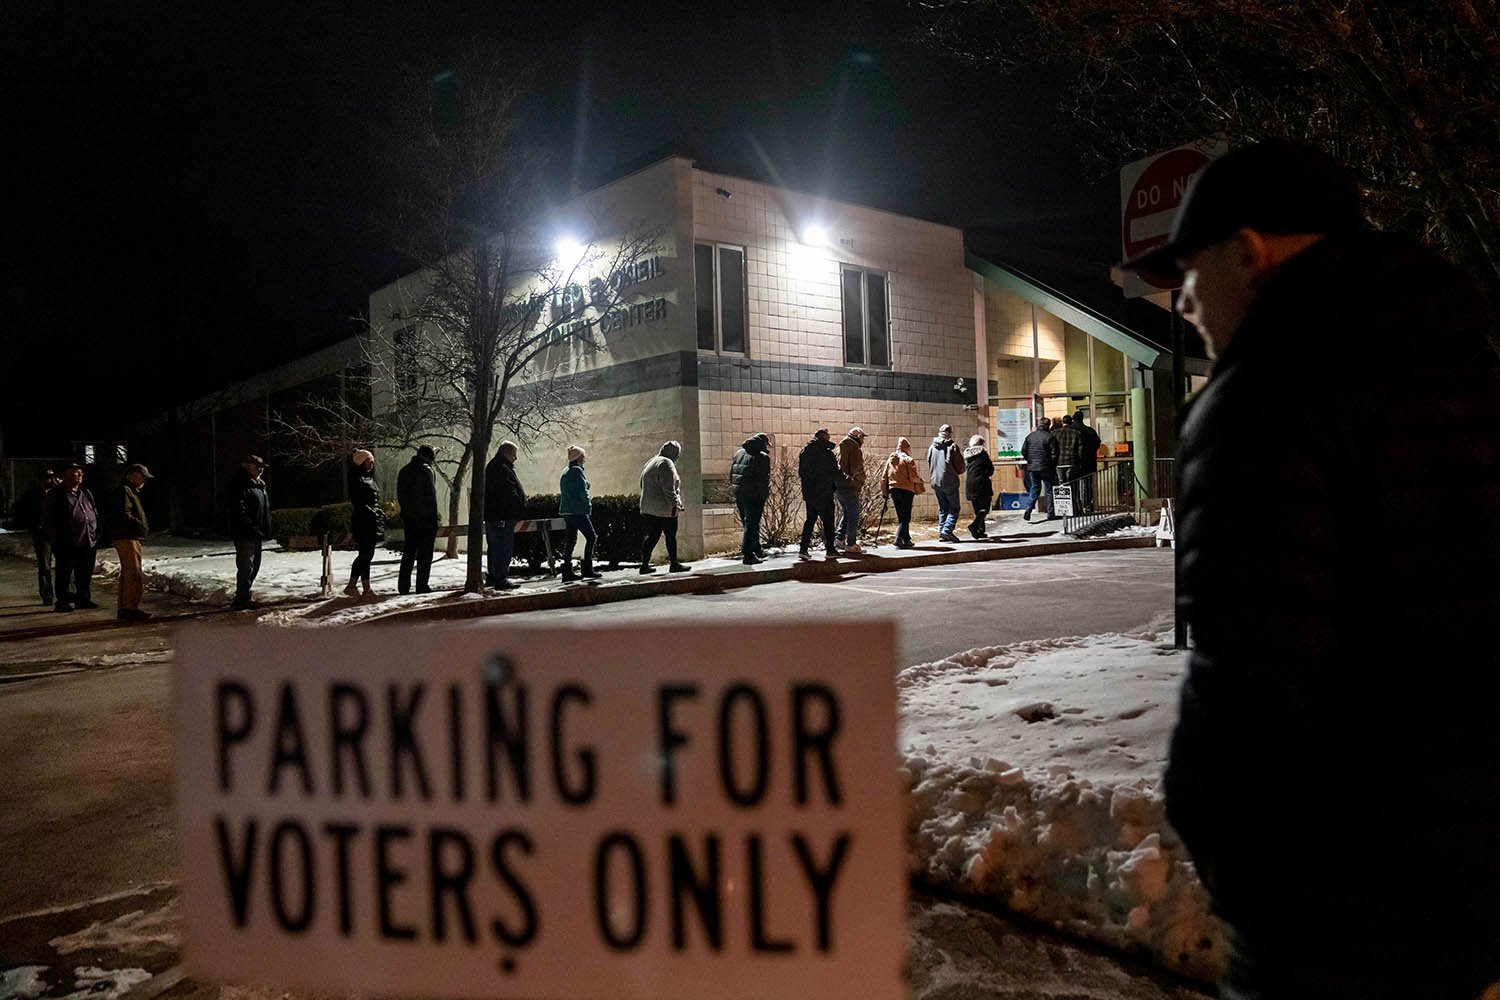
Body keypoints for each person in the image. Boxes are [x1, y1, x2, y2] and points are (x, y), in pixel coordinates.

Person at [1122, 140, 1500, 998]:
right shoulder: (1466, 367)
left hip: (1334, 886)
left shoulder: (1265, 395)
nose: (1182, 301)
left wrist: (1228, 846)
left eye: (1189, 271)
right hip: (1473, 867)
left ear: (1249, 254)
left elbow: (1253, 671)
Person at [44, 463, 99, 612]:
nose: (80, 475)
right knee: (64, 573)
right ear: (66, 475)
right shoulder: (56, 494)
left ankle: (83, 599)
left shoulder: (85, 492)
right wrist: (55, 537)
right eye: (75, 472)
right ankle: (62, 601)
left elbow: (92, 511)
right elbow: (50, 518)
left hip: (88, 539)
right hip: (67, 541)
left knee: (85, 572)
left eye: (81, 472)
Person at [109, 463, 153, 621]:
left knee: (128, 573)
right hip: (127, 536)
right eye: (142, 477)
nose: (143, 481)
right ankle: (130, 608)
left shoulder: (127, 491)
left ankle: (125, 607)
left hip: (126, 535)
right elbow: (124, 514)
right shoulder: (125, 491)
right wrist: (140, 526)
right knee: (133, 573)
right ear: (133, 475)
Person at [639, 440, 690, 573]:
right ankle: (674, 563)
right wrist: (676, 505)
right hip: (664, 508)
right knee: (670, 536)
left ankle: (644, 565)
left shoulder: (652, 461)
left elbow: (641, 484)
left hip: (648, 507)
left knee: (653, 536)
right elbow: (669, 488)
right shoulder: (667, 463)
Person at [228, 455, 271, 610]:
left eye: (262, 467)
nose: (260, 469)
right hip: (245, 533)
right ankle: (241, 599)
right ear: (246, 466)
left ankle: (244, 596)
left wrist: (264, 528)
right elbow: (239, 510)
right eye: (256, 466)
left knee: (254, 565)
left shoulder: (259, 485)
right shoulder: (240, 485)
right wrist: (251, 527)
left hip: (255, 533)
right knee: (246, 566)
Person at [396, 445, 440, 594]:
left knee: (409, 552)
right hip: (426, 519)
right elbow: (431, 497)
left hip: (410, 519)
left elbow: (401, 496)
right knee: (425, 554)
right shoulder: (427, 470)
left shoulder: (404, 471)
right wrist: (434, 519)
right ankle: (422, 585)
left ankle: (403, 586)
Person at [483, 441, 526, 589]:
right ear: (507, 453)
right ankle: (500, 577)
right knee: (503, 547)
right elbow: (507, 492)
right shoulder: (501, 468)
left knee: (495, 547)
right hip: (501, 516)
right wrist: (517, 506)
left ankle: (494, 576)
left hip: (496, 516)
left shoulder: (495, 466)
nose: (516, 458)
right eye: (514, 454)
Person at [797, 427, 843, 560]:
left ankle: (803, 549)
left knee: (810, 520)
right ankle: (830, 550)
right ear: (825, 438)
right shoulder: (827, 453)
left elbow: (802, 473)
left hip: (810, 493)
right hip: (824, 492)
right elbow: (835, 473)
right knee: (828, 522)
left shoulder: (805, 452)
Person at [15, 468, 59, 605]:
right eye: (46, 478)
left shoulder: (57, 493)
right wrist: (34, 526)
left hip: (58, 533)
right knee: (45, 566)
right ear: (40, 479)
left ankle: (65, 594)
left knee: (64, 565)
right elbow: (21, 511)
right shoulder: (32, 494)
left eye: (51, 477)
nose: (49, 480)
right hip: (41, 535)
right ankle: (47, 595)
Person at [558, 445, 602, 582]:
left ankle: (567, 570)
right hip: (577, 510)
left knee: (571, 540)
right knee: (592, 537)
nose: (585, 459)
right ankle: (587, 568)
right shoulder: (577, 471)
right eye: (583, 456)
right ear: (579, 458)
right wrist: (588, 505)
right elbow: (582, 492)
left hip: (566, 510)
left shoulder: (566, 471)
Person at [344, 449, 383, 597]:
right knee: (365, 554)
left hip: (371, 520)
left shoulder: (368, 477)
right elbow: (358, 501)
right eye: (369, 460)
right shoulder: (356, 478)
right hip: (363, 521)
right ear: (362, 461)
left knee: (367, 554)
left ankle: (353, 585)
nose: (372, 463)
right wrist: (371, 511)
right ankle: (364, 587)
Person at [729, 432, 771, 565]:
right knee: (752, 524)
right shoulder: (761, 457)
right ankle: (748, 554)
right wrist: (764, 495)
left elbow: (732, 474)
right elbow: (763, 480)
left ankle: (756, 549)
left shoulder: (739, 453)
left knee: (748, 523)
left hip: (740, 493)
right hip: (754, 495)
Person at [883, 437, 924, 548]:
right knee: (906, 517)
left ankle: (906, 539)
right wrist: (921, 482)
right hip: (907, 490)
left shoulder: (890, 459)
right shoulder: (908, 459)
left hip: (894, 489)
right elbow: (913, 477)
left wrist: (885, 492)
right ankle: (898, 537)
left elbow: (884, 477)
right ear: (907, 447)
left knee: (901, 516)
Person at [927, 424, 964, 542]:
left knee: (943, 508)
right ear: (949, 433)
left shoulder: (932, 447)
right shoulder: (952, 446)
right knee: (954, 508)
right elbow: (960, 466)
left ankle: (942, 532)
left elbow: (929, 462)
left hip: (936, 482)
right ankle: (947, 530)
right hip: (949, 481)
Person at [1019, 417, 1058, 522]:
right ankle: (1050, 513)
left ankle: (1029, 508)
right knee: (1049, 489)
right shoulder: (1049, 437)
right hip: (1046, 467)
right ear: (1048, 425)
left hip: (1032, 467)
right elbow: (1054, 454)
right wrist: (1052, 464)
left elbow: (1023, 451)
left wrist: (1030, 460)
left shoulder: (1030, 436)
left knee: (1035, 488)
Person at [835, 426, 867, 553]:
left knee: (847, 513)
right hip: (850, 486)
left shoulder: (841, 447)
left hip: (839, 486)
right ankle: (851, 543)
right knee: (853, 515)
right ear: (858, 437)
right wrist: (860, 479)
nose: (863, 440)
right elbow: (856, 468)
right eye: (863, 437)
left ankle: (840, 538)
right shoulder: (854, 449)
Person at [962, 434, 994, 539]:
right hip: (982, 484)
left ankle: (980, 531)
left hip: (970, 485)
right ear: (981, 444)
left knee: (978, 510)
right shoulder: (983, 454)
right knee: (985, 508)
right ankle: (974, 526)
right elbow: (990, 470)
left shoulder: (967, 455)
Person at [1073, 410, 1102, 513]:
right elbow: (1097, 443)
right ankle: (1088, 504)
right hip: (1089, 461)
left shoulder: (1070, 430)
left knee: (1074, 485)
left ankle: (1077, 506)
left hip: (1074, 462)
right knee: (1088, 484)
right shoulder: (1090, 431)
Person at [1052, 414, 1083, 487]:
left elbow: (1052, 447)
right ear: (1071, 422)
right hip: (1072, 462)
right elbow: (1080, 449)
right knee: (1072, 483)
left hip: (1059, 462)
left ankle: (1063, 497)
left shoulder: (1054, 433)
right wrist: (1079, 461)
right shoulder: (1077, 433)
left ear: (1063, 422)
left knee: (1061, 484)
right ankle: (1073, 498)